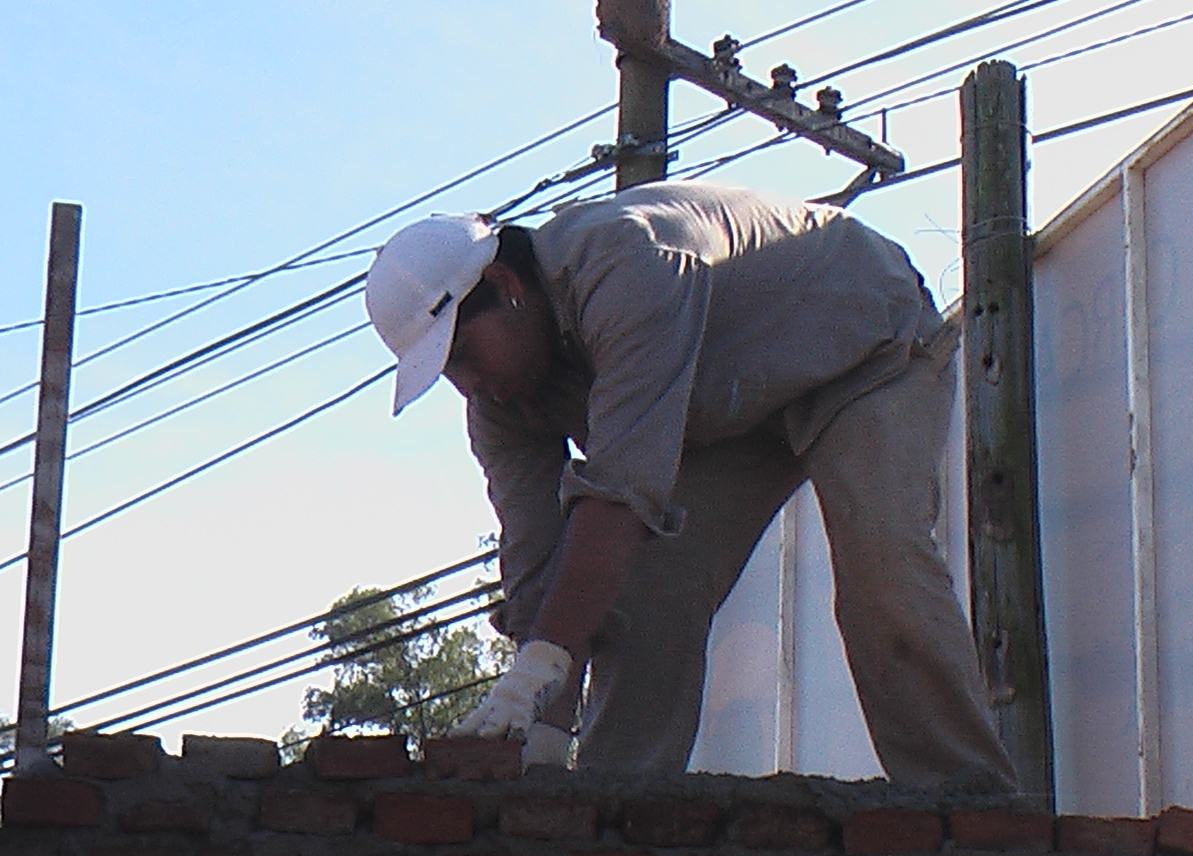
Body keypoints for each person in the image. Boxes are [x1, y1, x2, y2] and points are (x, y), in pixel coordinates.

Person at [364, 180, 1016, 792]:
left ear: (505, 285)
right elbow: (539, 566)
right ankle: (612, 817)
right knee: (636, 597)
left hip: (860, 344)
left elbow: (621, 493)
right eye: (447, 371)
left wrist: (542, 667)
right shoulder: (500, 406)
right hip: (729, 409)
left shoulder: (625, 264)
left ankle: (968, 813)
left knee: (883, 569)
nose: (469, 385)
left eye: (464, 354)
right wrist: (542, 724)